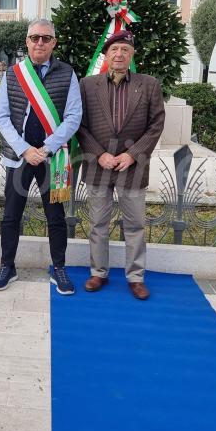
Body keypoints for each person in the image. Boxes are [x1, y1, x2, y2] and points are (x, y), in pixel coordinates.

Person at [0, 18, 82, 295]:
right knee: (11, 215)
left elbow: (73, 116)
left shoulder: (67, 74)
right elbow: (2, 117)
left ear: (54, 42)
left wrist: (46, 148)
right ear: (27, 42)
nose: (40, 42)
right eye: (34, 38)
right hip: (20, 157)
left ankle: (59, 268)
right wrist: (25, 149)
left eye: (46, 38)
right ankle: (8, 266)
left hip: (51, 157)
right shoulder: (12, 74)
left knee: (55, 216)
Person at [76, 30, 165, 300]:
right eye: (114, 50)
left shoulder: (148, 84)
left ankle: (135, 277)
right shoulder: (87, 85)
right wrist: (98, 153)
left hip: (132, 167)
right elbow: (78, 124)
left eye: (124, 50)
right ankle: (98, 272)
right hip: (98, 164)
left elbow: (156, 124)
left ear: (132, 54)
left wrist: (133, 154)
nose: (119, 54)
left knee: (135, 225)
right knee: (98, 224)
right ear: (106, 54)